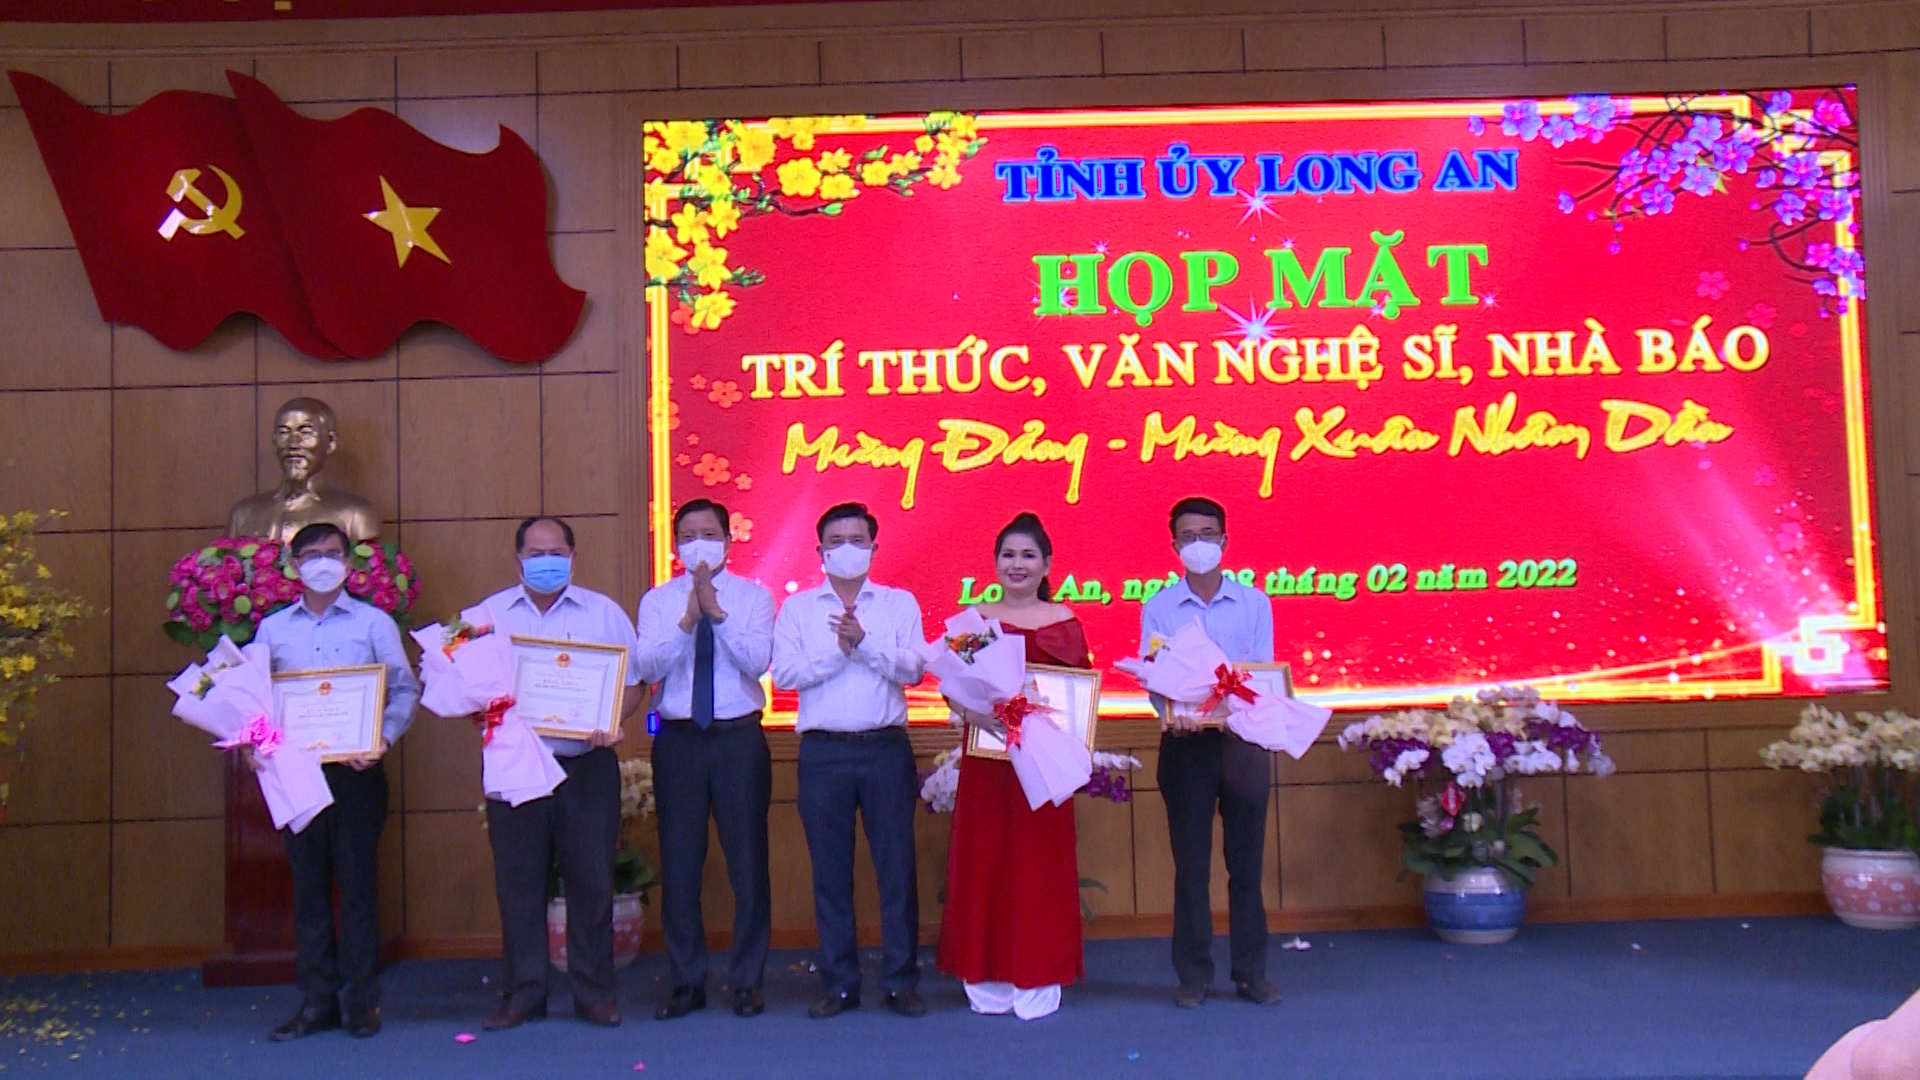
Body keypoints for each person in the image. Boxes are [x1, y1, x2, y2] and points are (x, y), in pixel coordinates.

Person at [250, 522, 419, 1041]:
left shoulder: (374, 624)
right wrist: (257, 742)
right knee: (308, 890)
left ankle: (362, 1002)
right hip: (296, 775)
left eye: (331, 553)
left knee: (358, 887)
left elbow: (404, 690)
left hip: (357, 776)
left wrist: (382, 739)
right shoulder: (272, 630)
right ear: (293, 565)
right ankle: (317, 1000)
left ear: (348, 564)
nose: (321, 562)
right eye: (310, 554)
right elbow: (256, 700)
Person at [476, 517, 645, 1031]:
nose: (546, 561)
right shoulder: (486, 616)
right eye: (535, 553)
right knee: (519, 885)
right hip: (516, 764)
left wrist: (611, 719)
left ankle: (594, 994)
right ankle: (523, 994)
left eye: (556, 552)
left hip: (586, 764)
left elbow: (635, 683)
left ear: (573, 557)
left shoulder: (604, 613)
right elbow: (464, 686)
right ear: (517, 560)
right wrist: (483, 710)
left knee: (592, 881)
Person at [772, 502, 928, 1020]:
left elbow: (914, 670)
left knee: (897, 870)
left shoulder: (899, 604)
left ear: (874, 549)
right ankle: (840, 984)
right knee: (830, 872)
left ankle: (900, 982)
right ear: (819, 551)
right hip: (823, 753)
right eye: (835, 542)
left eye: (857, 541)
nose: (846, 550)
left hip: (885, 749)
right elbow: (784, 675)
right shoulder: (798, 609)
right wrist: (838, 653)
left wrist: (865, 645)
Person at [937, 512, 1088, 1021]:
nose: (1017, 564)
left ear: (1046, 564)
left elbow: (1078, 694)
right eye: (1008, 555)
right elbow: (950, 687)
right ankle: (985, 971)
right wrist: (976, 714)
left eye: (1028, 555)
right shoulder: (976, 621)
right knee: (986, 861)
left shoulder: (1064, 621)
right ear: (995, 562)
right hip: (988, 759)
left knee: (1039, 866)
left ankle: (1039, 969)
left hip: (1044, 764)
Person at [636, 499, 777, 1021]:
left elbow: (757, 662)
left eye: (709, 533)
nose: (699, 543)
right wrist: (687, 620)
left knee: (748, 863)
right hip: (678, 742)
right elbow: (647, 665)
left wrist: (716, 615)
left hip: (738, 740)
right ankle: (686, 981)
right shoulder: (657, 601)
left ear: (728, 541)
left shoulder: (754, 598)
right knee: (679, 863)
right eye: (689, 535)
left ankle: (747, 981)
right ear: (676, 545)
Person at [1138, 496, 1280, 1009]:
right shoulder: (1159, 607)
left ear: (1224, 540)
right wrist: (1171, 710)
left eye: (1207, 534)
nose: (1198, 544)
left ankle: (1251, 973)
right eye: (1188, 536)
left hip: (1243, 743)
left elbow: (1261, 672)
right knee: (1190, 867)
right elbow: (1154, 675)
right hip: (1185, 745)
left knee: (1246, 865)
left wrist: (1236, 704)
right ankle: (1193, 975)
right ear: (1173, 545)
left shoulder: (1254, 603)